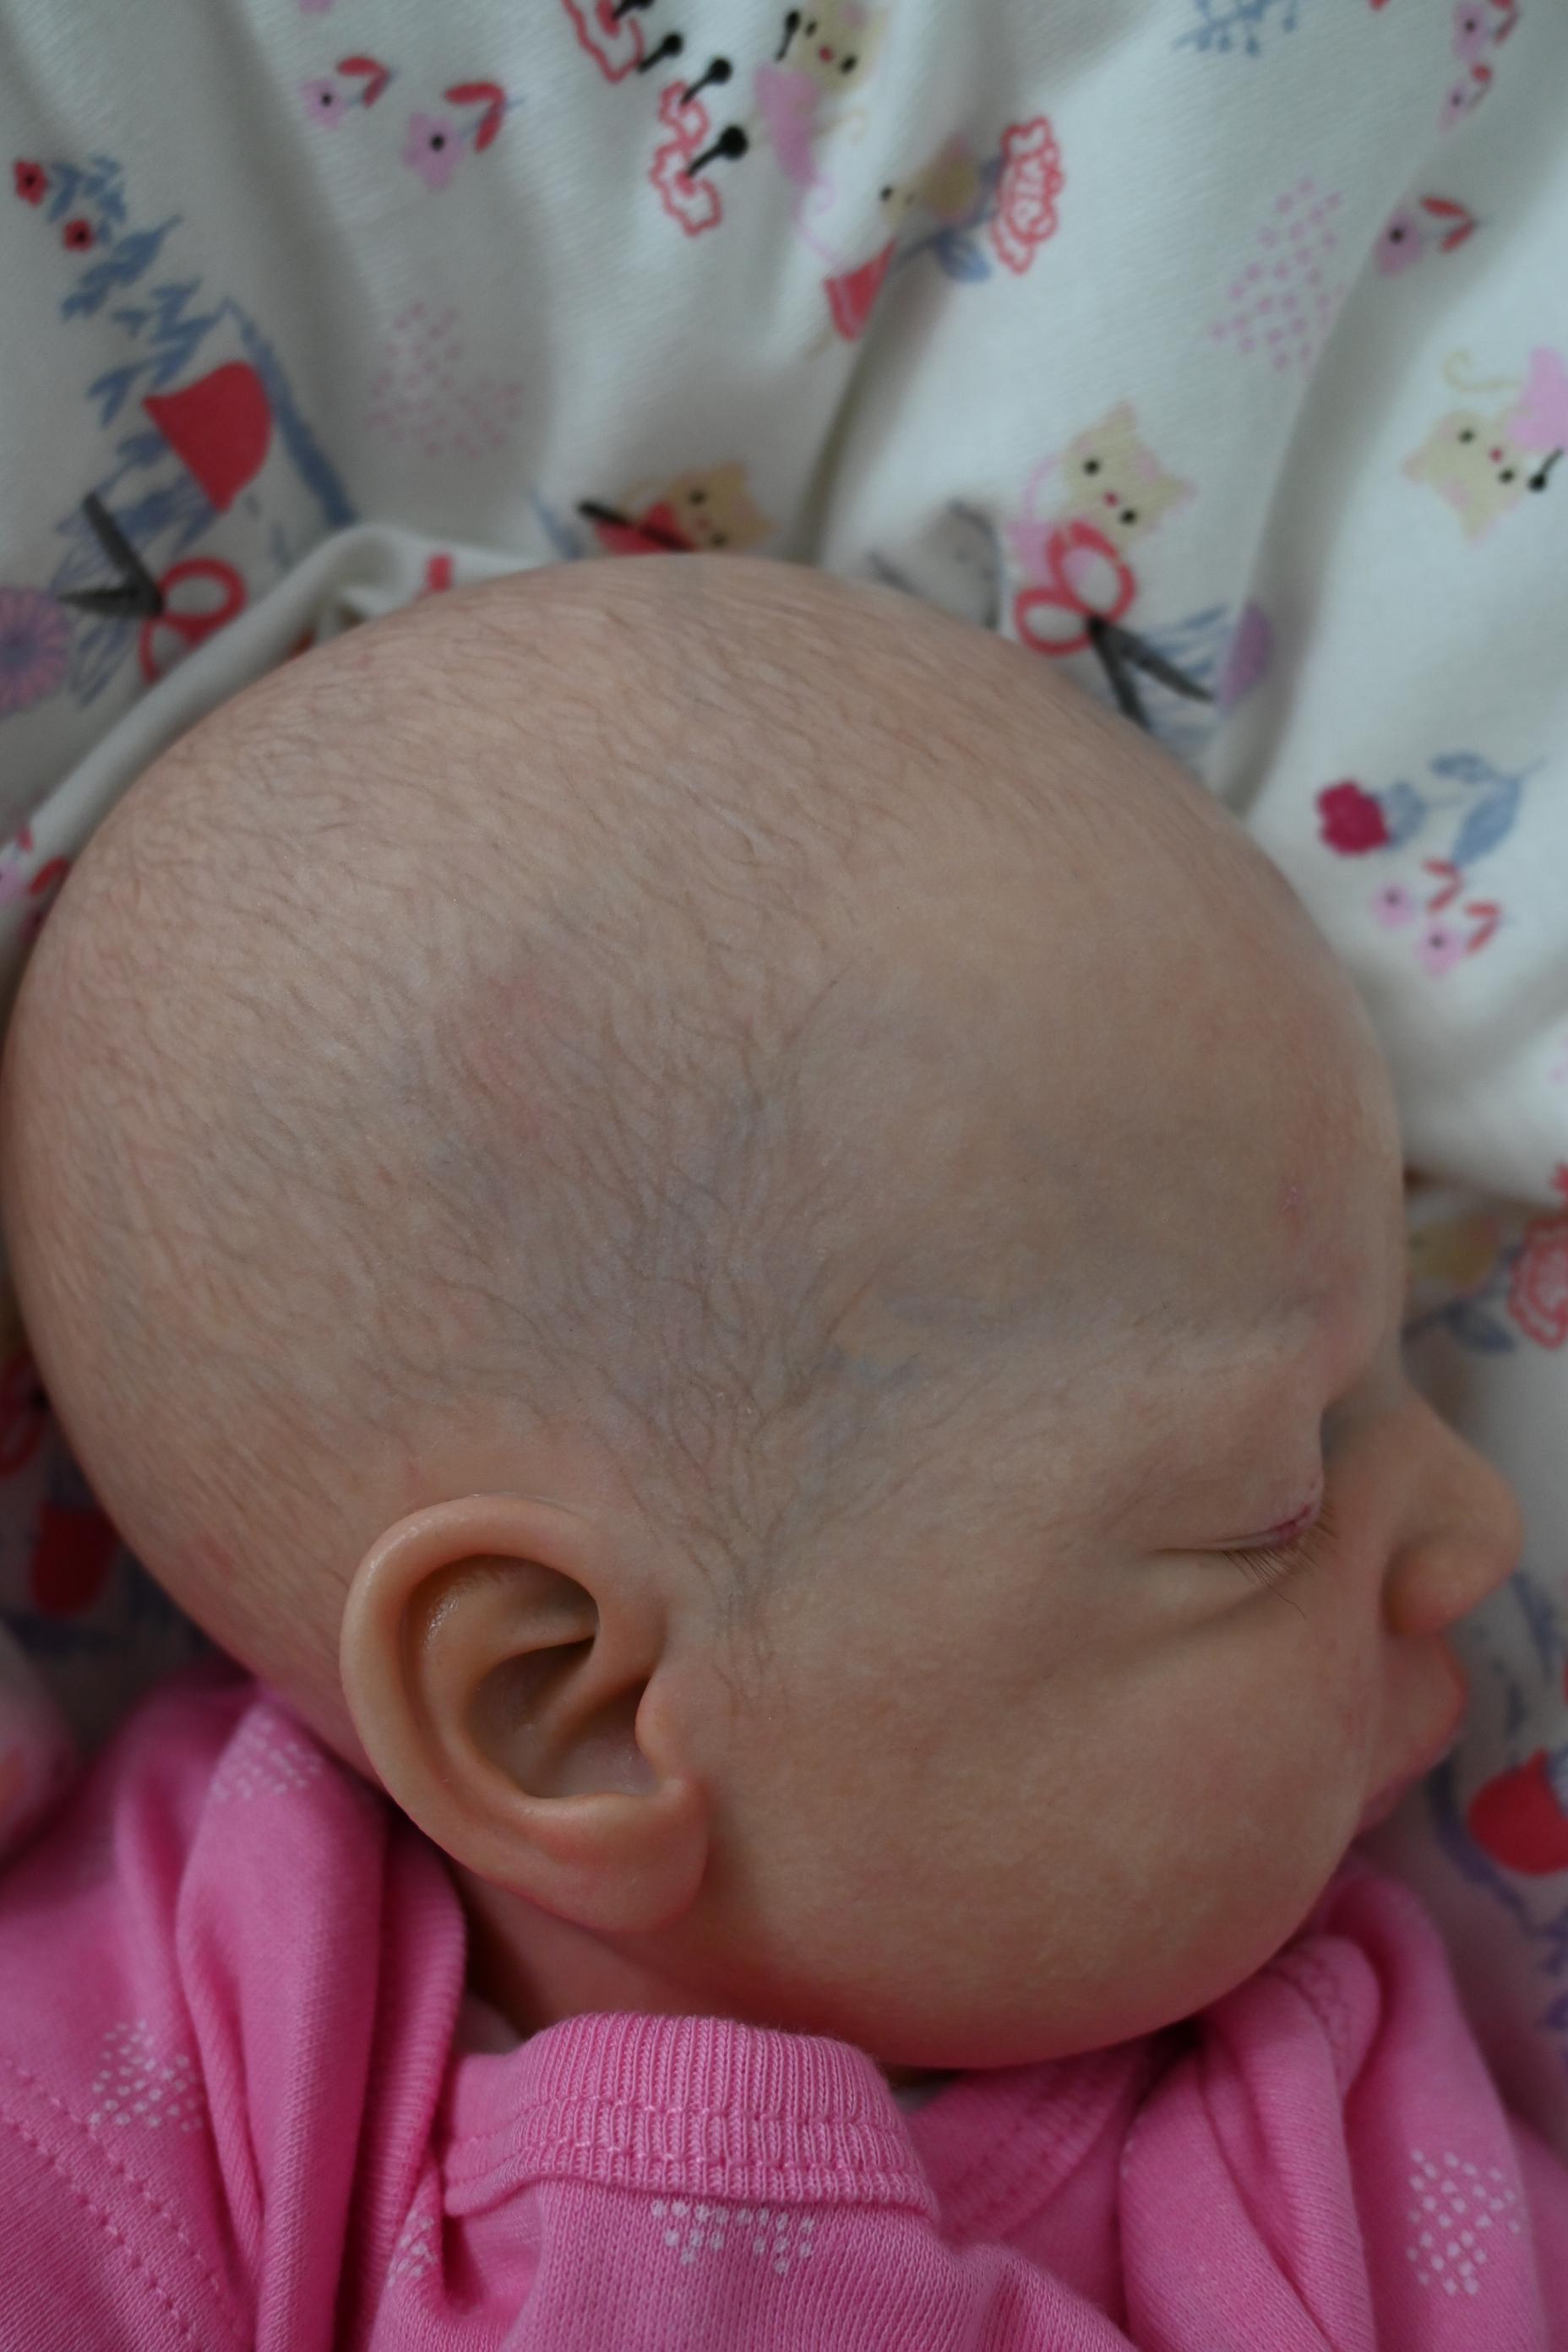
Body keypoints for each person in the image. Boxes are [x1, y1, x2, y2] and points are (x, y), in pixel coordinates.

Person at [0, 555, 1562, 2349]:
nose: (1477, 1530)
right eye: (1268, 1516)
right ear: (567, 1711)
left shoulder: (1346, 2135)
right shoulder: (152, 2081)